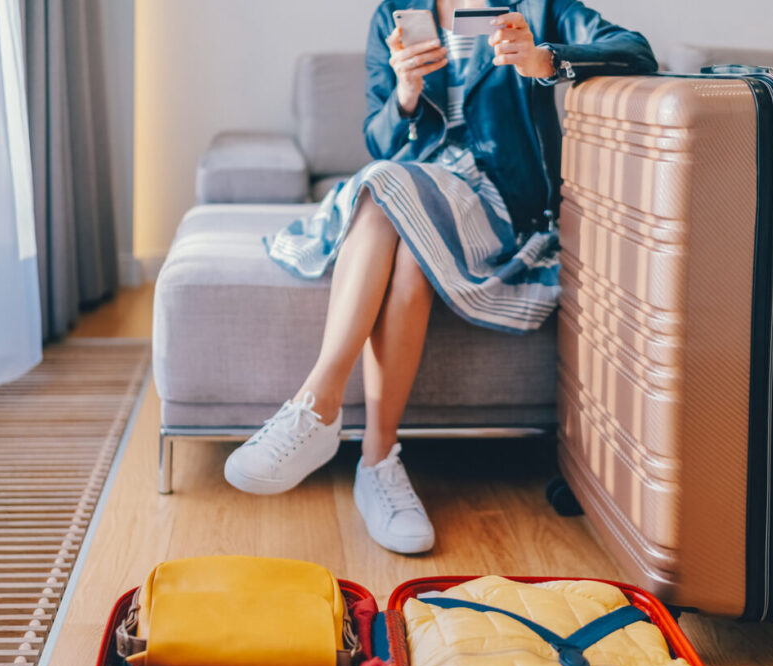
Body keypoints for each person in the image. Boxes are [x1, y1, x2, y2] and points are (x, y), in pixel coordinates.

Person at [224, 0, 657, 554]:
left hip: (499, 205)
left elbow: (636, 51)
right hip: (414, 190)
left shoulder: (537, 8)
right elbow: (380, 141)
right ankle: (378, 463)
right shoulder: (396, 13)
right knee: (402, 234)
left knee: (383, 188)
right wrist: (404, 93)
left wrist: (543, 59)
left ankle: (316, 408)